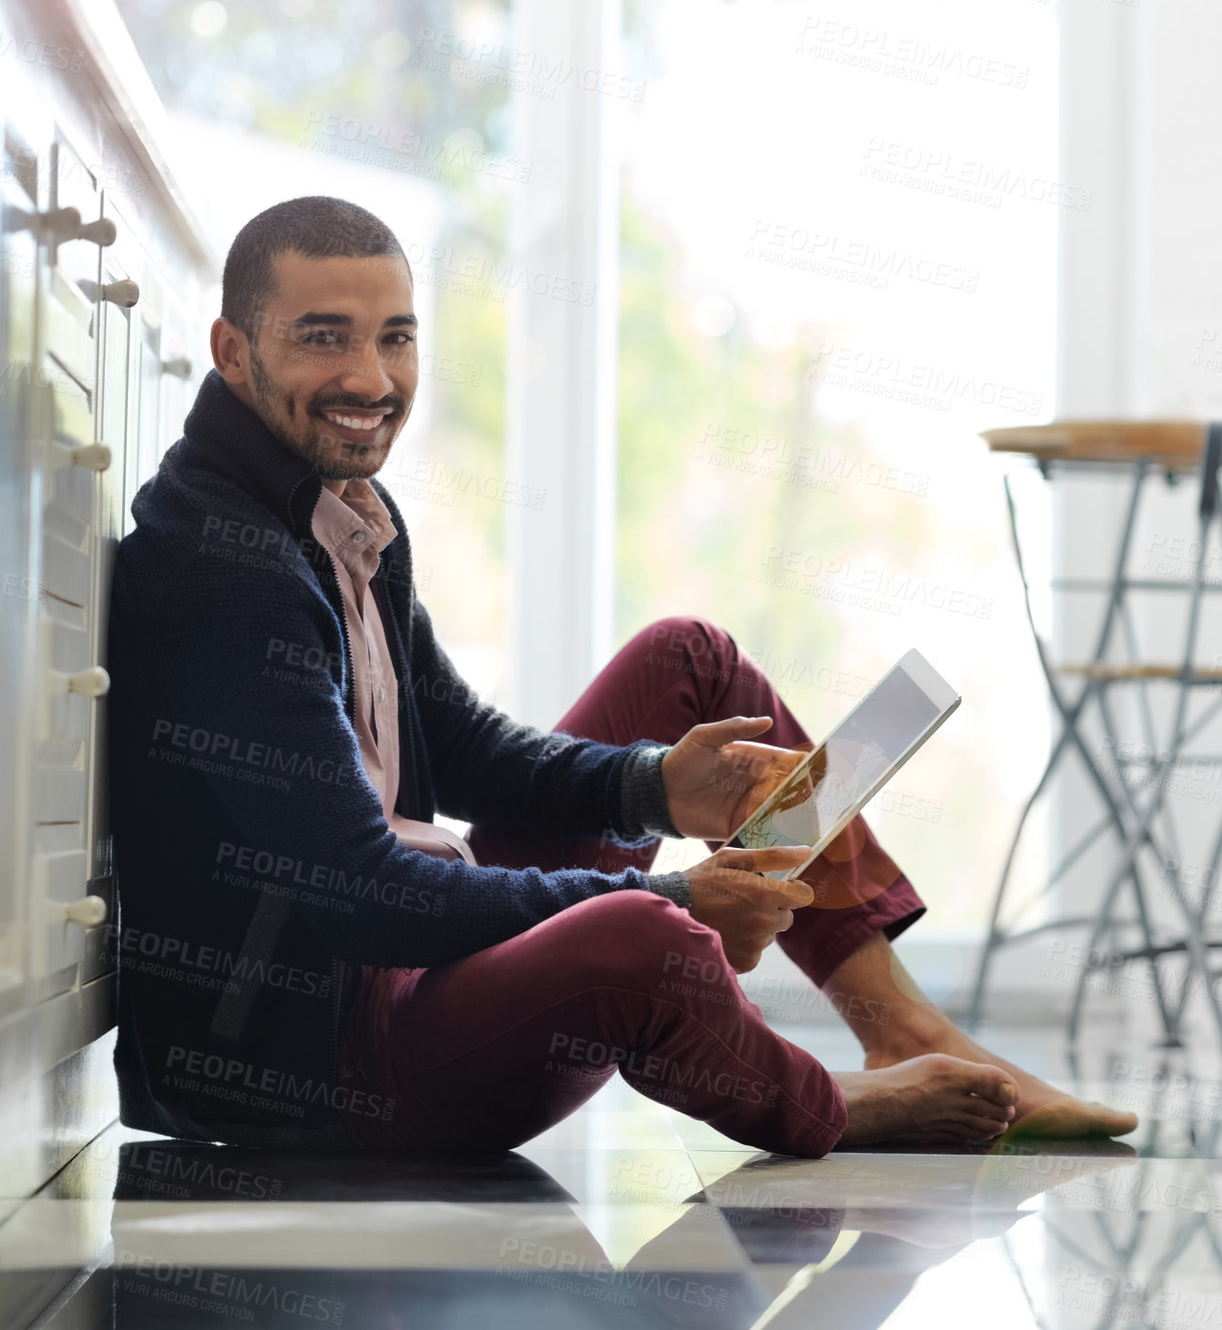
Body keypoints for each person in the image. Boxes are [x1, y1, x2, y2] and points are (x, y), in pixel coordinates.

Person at [107, 195, 1137, 1155]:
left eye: (396, 337)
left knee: (688, 665)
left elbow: (457, 745)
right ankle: (831, 1102)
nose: (371, 380)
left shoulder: (335, 507)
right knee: (643, 933)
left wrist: (649, 785)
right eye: (323, 335)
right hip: (322, 1062)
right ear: (233, 352)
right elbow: (360, 895)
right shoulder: (221, 564)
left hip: (411, 964)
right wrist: (677, 892)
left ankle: (896, 1021)